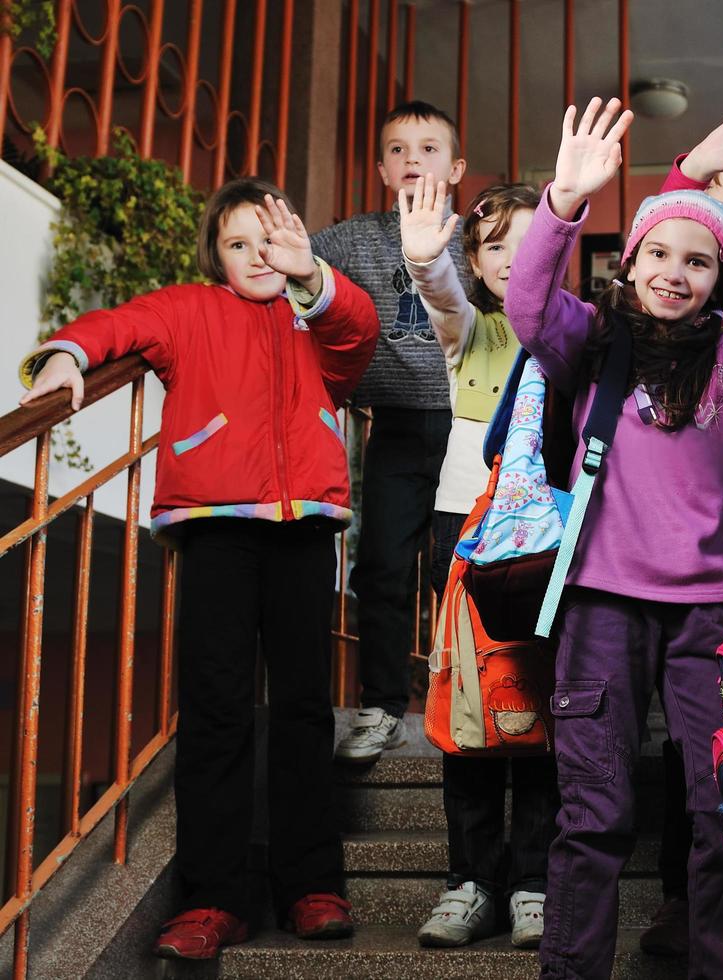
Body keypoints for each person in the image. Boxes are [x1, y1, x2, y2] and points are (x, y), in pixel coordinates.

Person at [18, 178, 378, 961]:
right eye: (237, 244)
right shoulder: (188, 309)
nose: (256, 257)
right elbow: (118, 324)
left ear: (295, 243)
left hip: (307, 525)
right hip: (216, 526)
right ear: (214, 258)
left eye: (269, 240)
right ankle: (214, 898)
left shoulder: (317, 312)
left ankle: (311, 884)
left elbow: (360, 334)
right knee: (215, 711)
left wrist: (311, 274)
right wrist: (66, 355)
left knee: (304, 709)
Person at [504, 97, 723, 978]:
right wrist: (563, 204)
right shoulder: (591, 343)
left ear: (721, 285)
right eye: (659, 255)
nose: (675, 273)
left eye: (699, 263)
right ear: (630, 261)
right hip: (601, 607)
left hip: (705, 618)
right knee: (593, 815)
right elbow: (529, 303)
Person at [397, 177, 560, 949]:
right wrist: (427, 263)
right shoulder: (474, 331)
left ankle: (532, 883)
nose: (514, 258)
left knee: (535, 711)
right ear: (475, 260)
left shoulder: (572, 334)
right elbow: (444, 301)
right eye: (497, 245)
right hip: (464, 529)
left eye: (532, 242)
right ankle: (468, 882)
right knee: (466, 716)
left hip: (546, 540)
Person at [311, 100, 469, 763]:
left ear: (456, 167)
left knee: (460, 570)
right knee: (380, 568)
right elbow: (288, 264)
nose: (413, 160)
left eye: (428, 149)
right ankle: (380, 707)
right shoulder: (353, 239)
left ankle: (473, 699)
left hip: (470, 430)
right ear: (381, 168)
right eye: (398, 150)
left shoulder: (475, 234)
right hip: (397, 429)